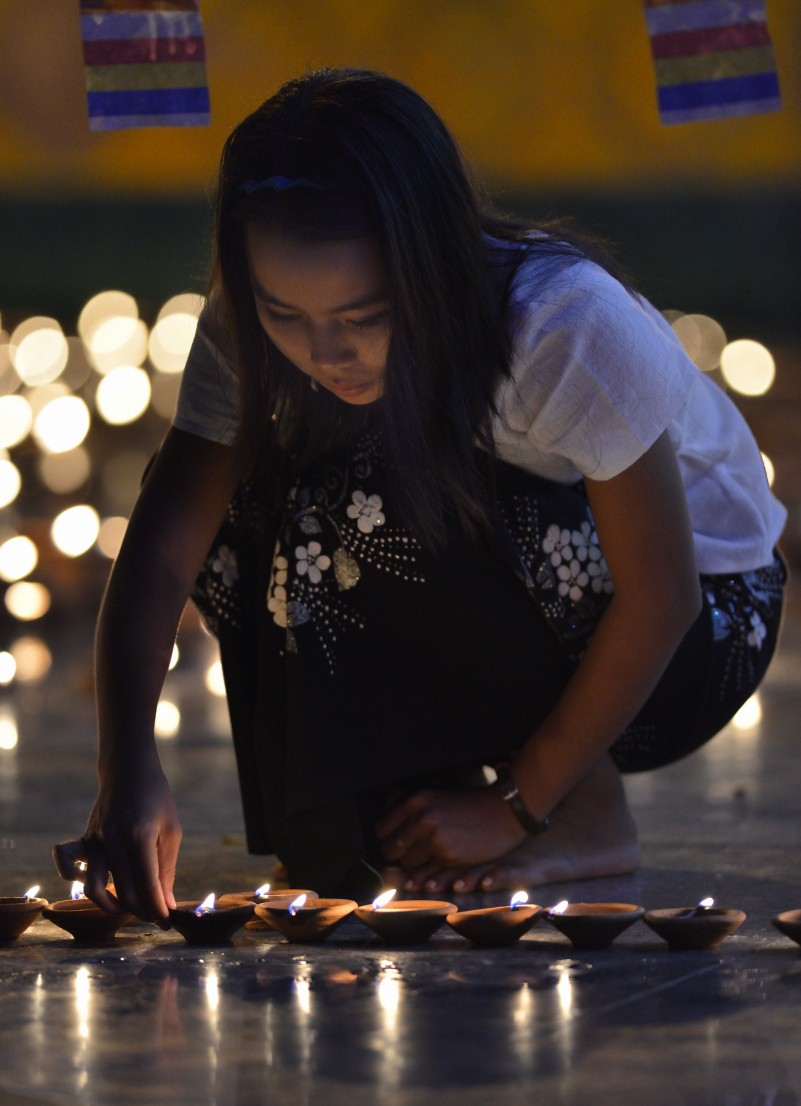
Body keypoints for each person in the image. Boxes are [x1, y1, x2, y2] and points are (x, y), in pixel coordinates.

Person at [54, 68, 786, 919]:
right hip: (520, 586)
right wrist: (127, 769)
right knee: (248, 511)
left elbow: (664, 597)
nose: (325, 352)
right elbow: (164, 543)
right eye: (283, 314)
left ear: (429, 263)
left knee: (365, 480)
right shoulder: (251, 327)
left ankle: (581, 809)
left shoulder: (560, 326)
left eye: (361, 316)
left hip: (699, 628)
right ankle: (423, 796)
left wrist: (514, 800)